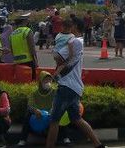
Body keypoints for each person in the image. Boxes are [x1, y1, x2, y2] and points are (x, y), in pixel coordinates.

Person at [45, 16, 106, 148]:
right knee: (77, 119)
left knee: (54, 120)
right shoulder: (78, 41)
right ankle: (98, 145)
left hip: (66, 86)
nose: (68, 28)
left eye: (71, 25)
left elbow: (58, 57)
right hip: (75, 87)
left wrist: (55, 49)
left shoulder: (74, 42)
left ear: (75, 27)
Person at [18, 71, 69, 146]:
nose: (48, 82)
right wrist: (35, 110)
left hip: (51, 117)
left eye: (49, 80)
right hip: (38, 118)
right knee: (27, 115)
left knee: (62, 114)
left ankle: (65, 138)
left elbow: (61, 103)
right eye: (45, 80)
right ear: (40, 81)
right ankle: (22, 140)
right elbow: (29, 105)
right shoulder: (34, 93)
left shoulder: (55, 92)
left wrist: (54, 110)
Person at [11, 14, 38, 79]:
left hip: (17, 62)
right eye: (28, 21)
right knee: (31, 82)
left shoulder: (12, 34)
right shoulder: (27, 31)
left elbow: (12, 50)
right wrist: (35, 60)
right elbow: (32, 48)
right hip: (28, 61)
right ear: (24, 21)